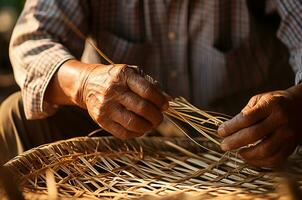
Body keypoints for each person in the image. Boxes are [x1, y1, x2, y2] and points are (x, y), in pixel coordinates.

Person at [0, 0, 302, 167]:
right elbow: (32, 40)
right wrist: (85, 83)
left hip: (245, 147)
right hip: (117, 138)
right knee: (15, 117)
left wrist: (297, 103)